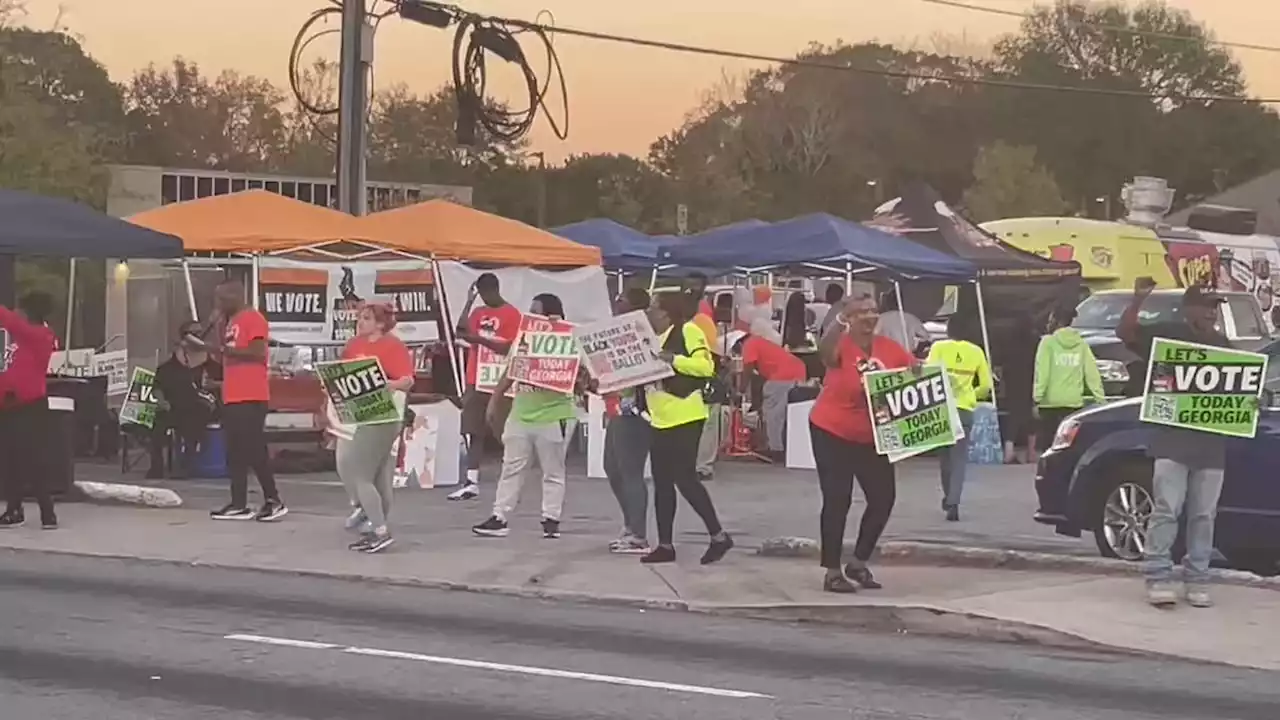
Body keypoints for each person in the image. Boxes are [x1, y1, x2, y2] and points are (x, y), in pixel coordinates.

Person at [1118, 278, 1229, 609]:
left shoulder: (1225, 345)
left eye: (1216, 307)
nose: (1212, 313)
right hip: (1171, 442)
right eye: (1206, 306)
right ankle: (1158, 576)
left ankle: (1197, 578)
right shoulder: (1166, 336)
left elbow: (1239, 390)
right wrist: (1138, 300)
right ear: (1188, 309)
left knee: (1204, 516)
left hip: (1211, 447)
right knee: (1167, 511)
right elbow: (1125, 334)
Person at [809, 293, 915, 593]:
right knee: (837, 499)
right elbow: (824, 352)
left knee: (883, 499)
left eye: (873, 311)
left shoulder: (889, 349)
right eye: (861, 312)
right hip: (832, 431)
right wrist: (839, 321)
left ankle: (858, 561)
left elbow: (913, 379)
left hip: (871, 437)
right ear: (849, 318)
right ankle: (832, 570)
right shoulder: (840, 346)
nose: (869, 316)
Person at [473, 293, 582, 540]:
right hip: (521, 413)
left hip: (555, 415)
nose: (530, 315)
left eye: (536, 311)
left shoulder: (569, 340)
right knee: (511, 467)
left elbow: (580, 375)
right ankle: (499, 516)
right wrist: (495, 398)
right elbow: (511, 370)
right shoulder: (524, 339)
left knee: (553, 471)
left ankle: (551, 518)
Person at [639, 291, 733, 565]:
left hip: (686, 414)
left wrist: (674, 360)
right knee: (662, 483)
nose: (649, 313)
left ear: (667, 312)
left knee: (685, 478)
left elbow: (706, 367)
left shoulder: (689, 331)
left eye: (653, 308)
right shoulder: (650, 339)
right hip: (659, 417)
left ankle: (718, 535)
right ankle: (665, 545)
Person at [332, 303, 415, 553]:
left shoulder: (393, 346)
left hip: (383, 415)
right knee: (369, 472)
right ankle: (371, 516)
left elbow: (407, 380)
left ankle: (379, 529)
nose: (360, 322)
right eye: (359, 318)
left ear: (380, 323)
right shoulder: (354, 345)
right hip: (359, 414)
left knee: (362, 474)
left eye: (366, 318)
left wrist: (388, 385)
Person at [210, 280, 287, 522]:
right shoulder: (230, 322)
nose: (218, 304)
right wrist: (216, 328)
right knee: (235, 451)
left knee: (254, 449)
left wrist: (225, 351)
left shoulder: (253, 319)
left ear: (235, 296)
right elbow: (221, 352)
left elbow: (256, 352)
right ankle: (238, 503)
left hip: (250, 394)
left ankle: (273, 499)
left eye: (221, 299)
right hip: (233, 394)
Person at [451, 272, 522, 501]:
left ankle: (512, 475)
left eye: (485, 294)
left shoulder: (512, 314)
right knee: (473, 428)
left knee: (502, 428)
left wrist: (481, 340)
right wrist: (469, 301)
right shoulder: (478, 312)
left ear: (495, 289)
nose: (484, 298)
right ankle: (471, 480)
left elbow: (510, 349)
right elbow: (460, 331)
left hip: (500, 379)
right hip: (476, 378)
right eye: (480, 295)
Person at [926, 315, 993, 522]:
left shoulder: (938, 348)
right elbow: (986, 385)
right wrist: (972, 394)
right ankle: (954, 500)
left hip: (942, 409)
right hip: (964, 410)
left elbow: (928, 373)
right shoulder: (976, 352)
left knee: (944, 459)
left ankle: (948, 496)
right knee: (959, 459)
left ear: (949, 330)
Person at [0, 292, 59, 529]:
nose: (17, 312)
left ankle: (47, 512)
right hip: (11, 406)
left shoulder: (39, 335)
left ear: (30, 312)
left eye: (21, 309)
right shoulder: (20, 338)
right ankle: (14, 510)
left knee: (32, 459)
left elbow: (8, 319)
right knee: (10, 459)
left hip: (29, 407)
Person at [603, 288, 653, 554]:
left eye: (622, 299)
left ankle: (639, 534)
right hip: (616, 408)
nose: (616, 302)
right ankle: (631, 523)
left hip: (635, 412)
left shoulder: (643, 333)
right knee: (612, 468)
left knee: (630, 471)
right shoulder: (617, 332)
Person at [149, 321, 217, 479]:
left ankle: (187, 465)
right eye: (194, 333)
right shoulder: (169, 366)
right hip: (173, 406)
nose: (198, 336)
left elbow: (225, 380)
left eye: (200, 333)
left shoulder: (209, 363)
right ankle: (156, 467)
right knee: (157, 423)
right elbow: (157, 386)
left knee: (193, 421)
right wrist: (161, 401)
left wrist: (214, 385)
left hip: (200, 407)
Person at [1033, 303, 1105, 450]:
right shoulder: (1081, 344)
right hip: (1074, 402)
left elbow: (1043, 373)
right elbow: (1092, 374)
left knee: (1049, 446)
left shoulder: (1047, 342)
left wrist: (1037, 398)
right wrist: (1101, 400)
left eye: (1050, 319)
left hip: (1050, 403)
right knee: (1069, 446)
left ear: (1056, 321)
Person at [742, 316, 806, 459]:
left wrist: (741, 389)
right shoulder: (766, 343)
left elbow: (748, 367)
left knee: (772, 413)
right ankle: (782, 445)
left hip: (783, 376)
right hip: (798, 371)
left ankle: (775, 448)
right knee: (784, 413)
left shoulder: (750, 343)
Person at [875, 291, 930, 357]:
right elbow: (925, 337)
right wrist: (916, 349)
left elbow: (873, 337)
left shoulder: (880, 319)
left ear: (886, 303)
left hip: (886, 356)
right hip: (907, 355)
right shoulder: (911, 318)